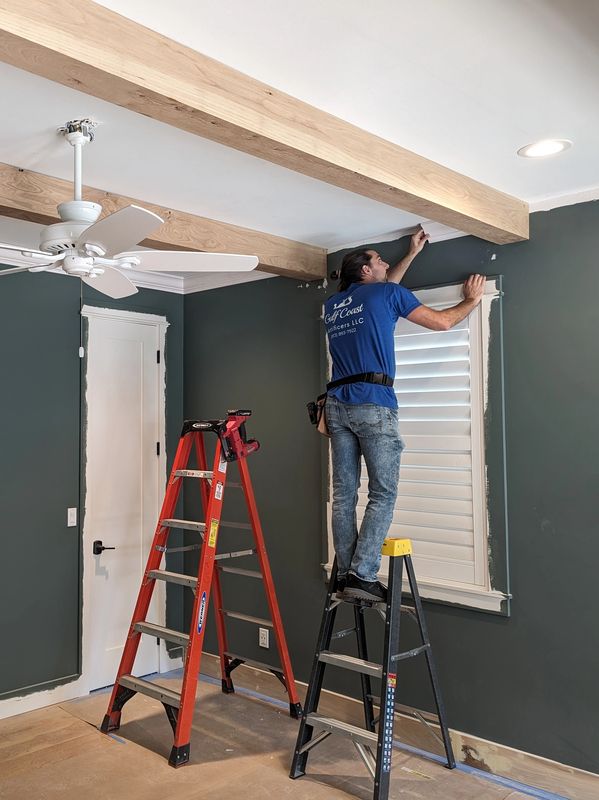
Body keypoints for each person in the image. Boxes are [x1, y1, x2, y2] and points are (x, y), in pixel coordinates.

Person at [324, 230, 485, 602]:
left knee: (344, 494)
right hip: (373, 403)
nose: (385, 263)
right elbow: (444, 322)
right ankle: (362, 576)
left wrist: (410, 254)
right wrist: (472, 301)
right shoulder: (385, 294)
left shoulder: (336, 304)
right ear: (366, 270)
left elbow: (383, 289)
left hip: (337, 404)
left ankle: (346, 573)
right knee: (383, 492)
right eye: (379, 260)